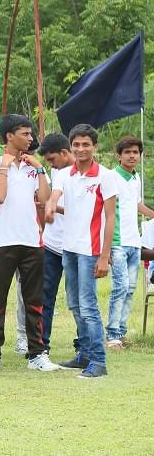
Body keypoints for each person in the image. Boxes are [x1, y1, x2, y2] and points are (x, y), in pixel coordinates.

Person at [0, 115, 58, 373]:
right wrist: (4, 167)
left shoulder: (34, 167)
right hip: (2, 242)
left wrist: (38, 169)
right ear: (9, 136)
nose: (30, 138)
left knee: (34, 300)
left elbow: (45, 199)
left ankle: (37, 354)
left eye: (30, 134)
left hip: (32, 242)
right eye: (25, 134)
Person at [45, 124, 117, 378]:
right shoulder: (65, 174)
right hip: (69, 249)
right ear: (70, 147)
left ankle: (98, 361)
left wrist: (105, 257)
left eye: (86, 144)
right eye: (76, 145)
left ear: (94, 147)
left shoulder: (105, 176)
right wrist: (50, 206)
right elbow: (55, 195)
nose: (81, 149)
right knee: (75, 304)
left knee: (88, 306)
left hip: (91, 250)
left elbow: (110, 218)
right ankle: (84, 354)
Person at [106, 136, 153, 348]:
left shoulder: (136, 179)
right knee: (120, 287)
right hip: (117, 241)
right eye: (128, 152)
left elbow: (137, 204)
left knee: (131, 288)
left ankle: (121, 331)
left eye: (135, 152)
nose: (132, 155)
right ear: (119, 155)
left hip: (135, 242)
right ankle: (112, 334)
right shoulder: (110, 177)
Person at [37, 132, 78, 356]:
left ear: (64, 153)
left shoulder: (90, 174)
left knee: (79, 298)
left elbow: (90, 211)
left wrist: (53, 208)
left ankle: (84, 345)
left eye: (52, 159)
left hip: (77, 246)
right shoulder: (57, 172)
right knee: (45, 296)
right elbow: (51, 199)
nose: (50, 164)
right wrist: (48, 207)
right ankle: (41, 344)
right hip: (52, 244)